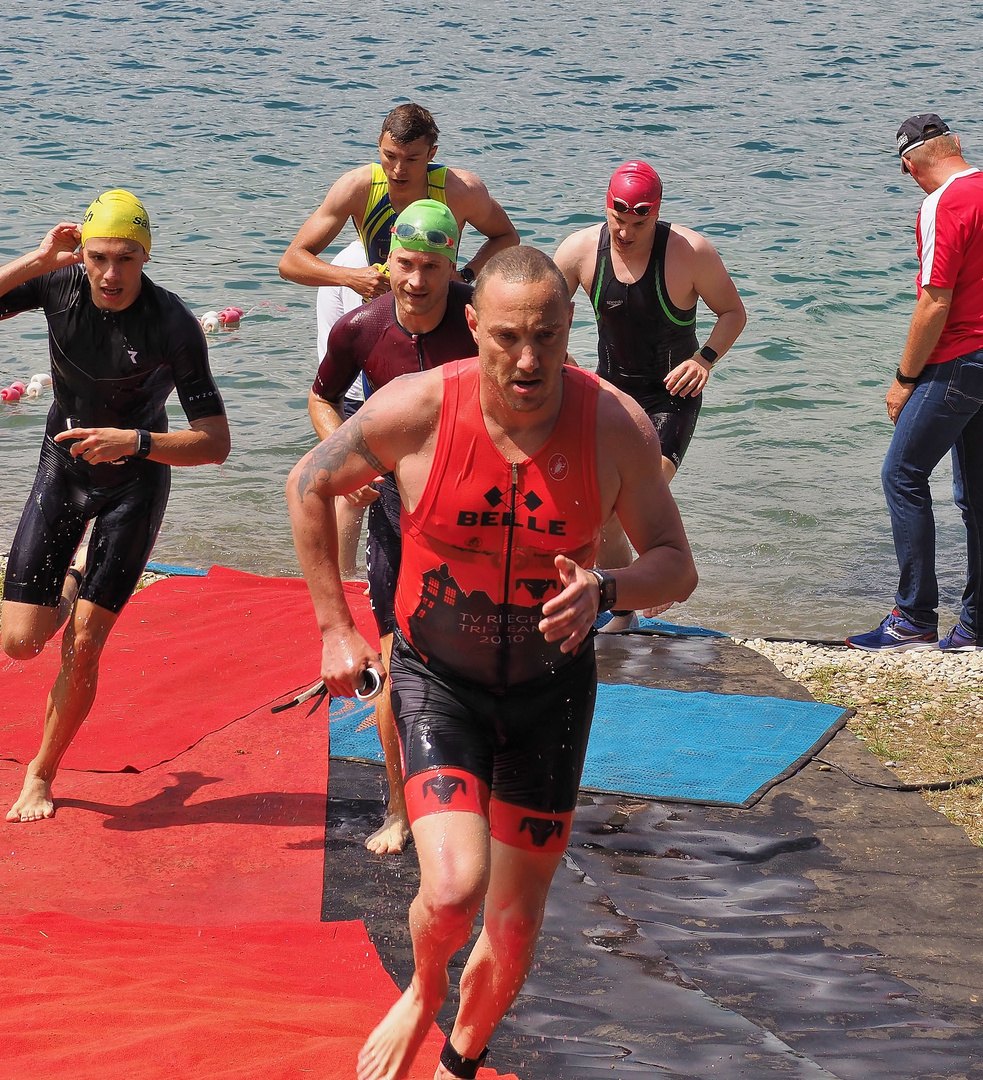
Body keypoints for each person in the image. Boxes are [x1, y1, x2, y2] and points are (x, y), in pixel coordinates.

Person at [287, 246, 697, 1080]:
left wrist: (608, 587)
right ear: (471, 326)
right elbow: (307, 482)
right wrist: (334, 627)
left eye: (546, 336)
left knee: (511, 934)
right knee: (449, 891)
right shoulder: (419, 410)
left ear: (569, 326)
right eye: (507, 336)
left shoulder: (613, 424)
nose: (527, 359)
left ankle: (459, 1063)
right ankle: (423, 987)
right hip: (440, 685)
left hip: (550, 695)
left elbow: (675, 564)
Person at [0, 189, 231, 821]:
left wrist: (138, 442)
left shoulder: (171, 324)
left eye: (126, 258)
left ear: (145, 257)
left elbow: (214, 443)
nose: (111, 273)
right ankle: (68, 584)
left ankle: (41, 773)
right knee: (20, 644)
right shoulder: (58, 285)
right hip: (63, 470)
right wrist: (35, 261)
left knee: (86, 644)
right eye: (98, 257)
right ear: (82, 252)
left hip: (135, 481)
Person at [309, 200, 478, 855]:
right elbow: (322, 396)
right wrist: (343, 461)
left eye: (430, 266)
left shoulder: (477, 318)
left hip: (469, 524)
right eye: (405, 264)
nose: (415, 280)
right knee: (391, 662)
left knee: (469, 662)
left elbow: (543, 375)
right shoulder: (361, 327)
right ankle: (397, 807)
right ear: (388, 262)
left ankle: (470, 796)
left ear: (450, 266)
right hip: (394, 520)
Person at [847, 115, 983, 652]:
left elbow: (935, 300)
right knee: (979, 495)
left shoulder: (941, 204)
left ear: (910, 165)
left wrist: (904, 380)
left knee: (901, 474)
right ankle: (979, 628)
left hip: (962, 360)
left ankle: (913, 618)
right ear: (956, 145)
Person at [554, 160, 746, 629]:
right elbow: (543, 310)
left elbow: (733, 313)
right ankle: (625, 608)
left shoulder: (690, 252)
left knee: (629, 500)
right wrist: (563, 360)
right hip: (611, 394)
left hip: (670, 398)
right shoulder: (581, 249)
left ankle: (656, 578)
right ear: (607, 207)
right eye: (618, 220)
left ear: (656, 215)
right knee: (597, 512)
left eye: (639, 223)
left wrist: (704, 360)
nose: (625, 232)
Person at [277, 102, 519, 300]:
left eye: (412, 159)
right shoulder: (356, 187)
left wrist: (467, 274)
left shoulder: (462, 190)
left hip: (431, 298)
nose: (398, 170)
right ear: (379, 144)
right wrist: (350, 278)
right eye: (390, 156)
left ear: (431, 154)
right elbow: (290, 263)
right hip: (363, 288)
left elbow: (507, 236)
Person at [316, 239, 373, 576]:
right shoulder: (360, 263)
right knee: (354, 489)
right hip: (355, 391)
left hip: (348, 388)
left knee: (352, 488)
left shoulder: (352, 257)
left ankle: (344, 572)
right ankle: (344, 575)